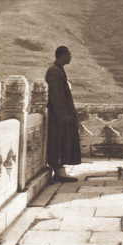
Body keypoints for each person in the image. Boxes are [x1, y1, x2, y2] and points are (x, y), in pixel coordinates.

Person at [45, 46, 81, 182]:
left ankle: (60, 171)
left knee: (62, 142)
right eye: (69, 54)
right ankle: (59, 172)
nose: (71, 57)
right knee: (58, 142)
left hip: (61, 115)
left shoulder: (58, 70)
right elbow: (57, 96)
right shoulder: (54, 71)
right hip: (58, 117)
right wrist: (63, 116)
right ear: (62, 55)